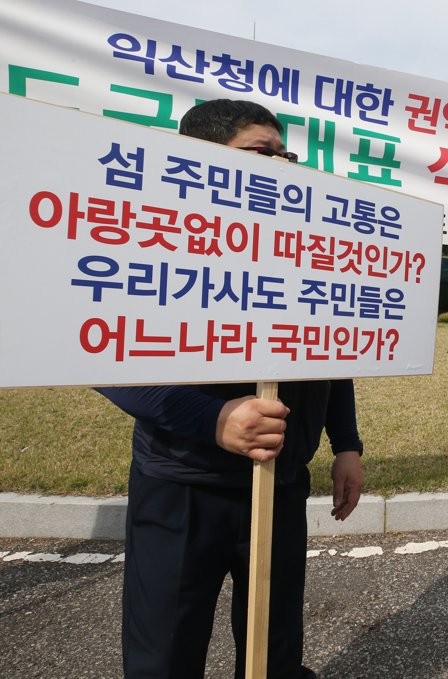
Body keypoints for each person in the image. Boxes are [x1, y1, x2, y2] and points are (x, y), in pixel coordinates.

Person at [97, 99, 364, 679]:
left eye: (284, 154)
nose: (279, 165)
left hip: (282, 483)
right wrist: (211, 418)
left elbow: (332, 349)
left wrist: (347, 443)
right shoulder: (151, 234)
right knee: (164, 657)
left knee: (274, 652)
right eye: (260, 153)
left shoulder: (309, 249)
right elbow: (101, 355)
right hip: (183, 487)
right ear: (197, 158)